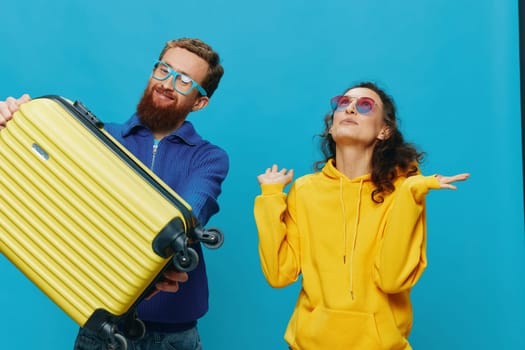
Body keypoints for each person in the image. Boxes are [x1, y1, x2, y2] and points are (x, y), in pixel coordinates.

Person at [0, 37, 229, 350]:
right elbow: (50, 196)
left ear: (200, 101)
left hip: (173, 338)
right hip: (101, 329)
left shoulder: (208, 157)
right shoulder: (95, 137)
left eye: (184, 80)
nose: (167, 83)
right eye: (163, 70)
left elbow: (189, 215)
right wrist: (12, 128)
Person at [253, 81, 469, 350]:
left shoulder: (404, 190)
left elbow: (391, 279)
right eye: (343, 103)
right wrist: (271, 198)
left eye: (365, 105)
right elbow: (279, 275)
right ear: (332, 127)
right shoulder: (305, 190)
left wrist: (411, 194)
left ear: (383, 130)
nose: (351, 109)